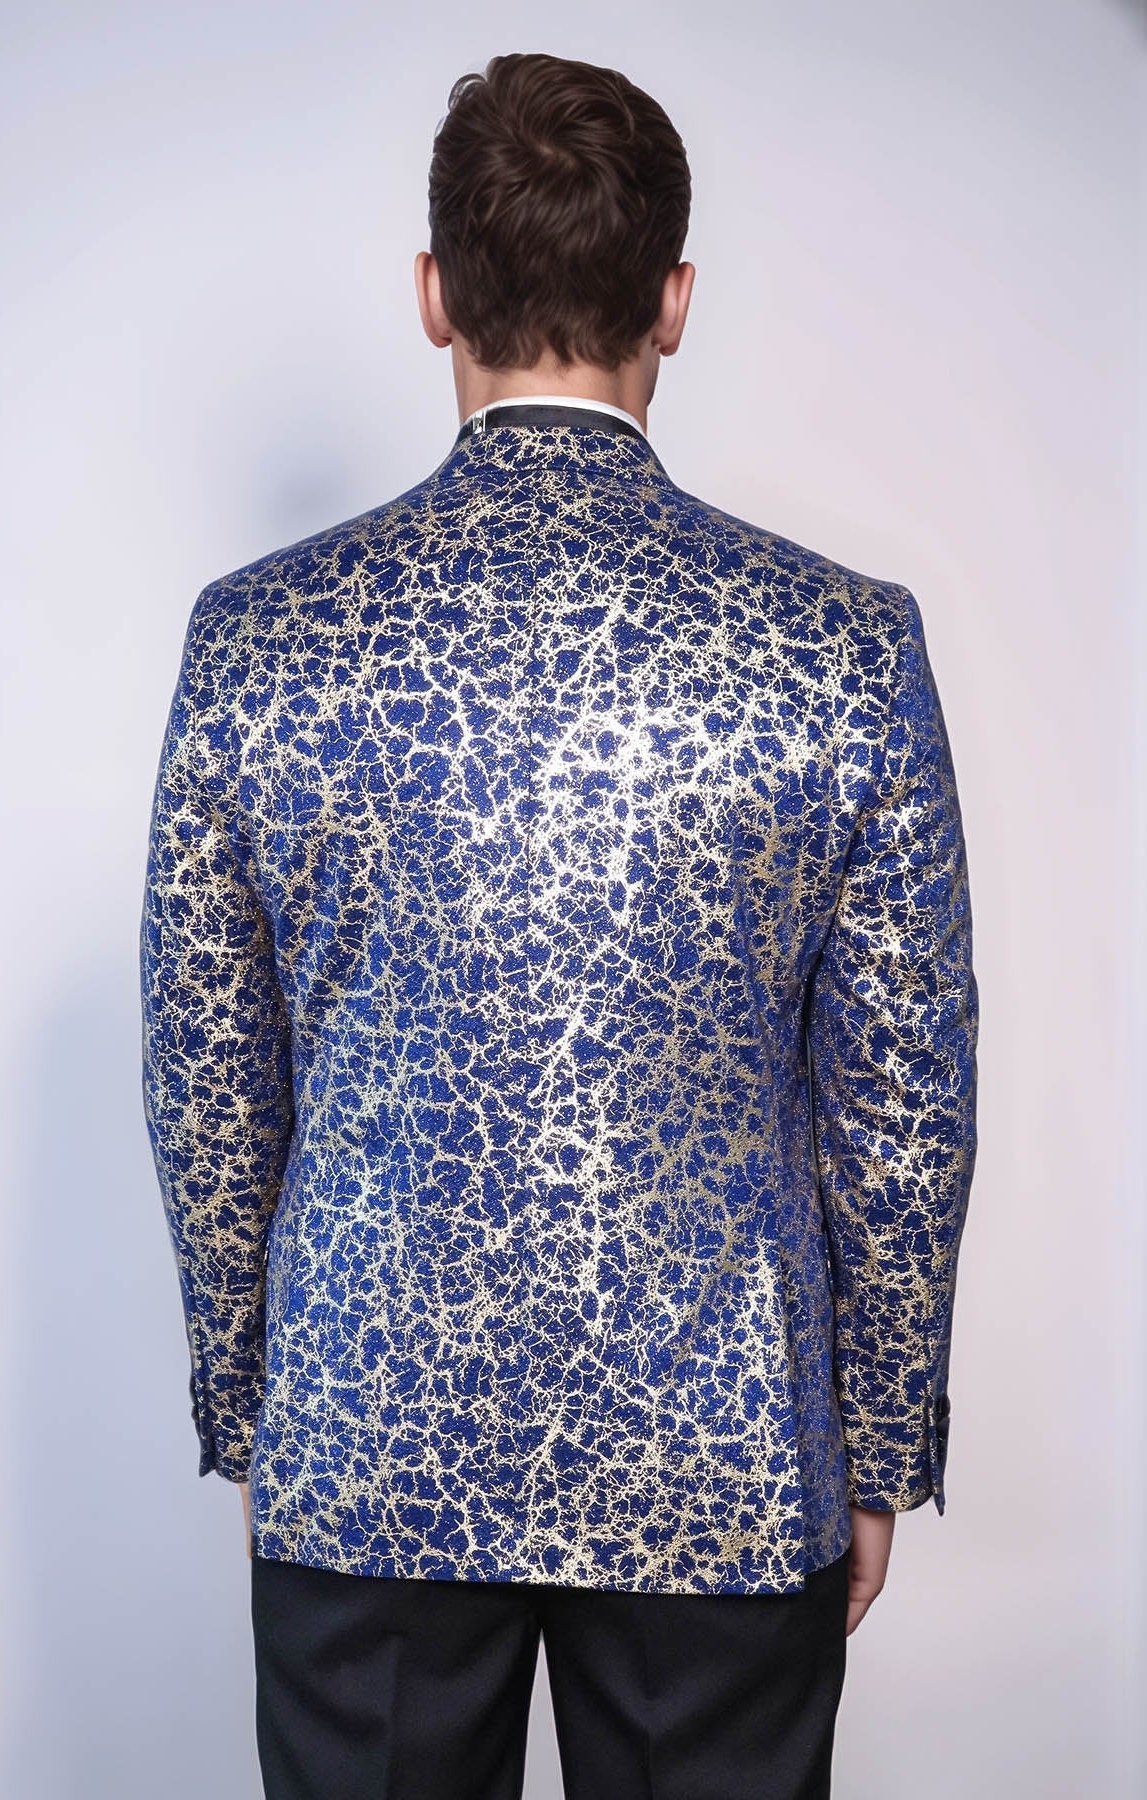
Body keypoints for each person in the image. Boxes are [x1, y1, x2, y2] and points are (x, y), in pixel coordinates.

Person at [139, 49, 980, 1800]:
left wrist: (262, 1408)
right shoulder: (841, 650)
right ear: (674, 300)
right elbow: (902, 1107)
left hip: (369, 1442)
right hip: (724, 1455)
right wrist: (878, 1442)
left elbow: (209, 1086)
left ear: (433, 294)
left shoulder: (260, 642)